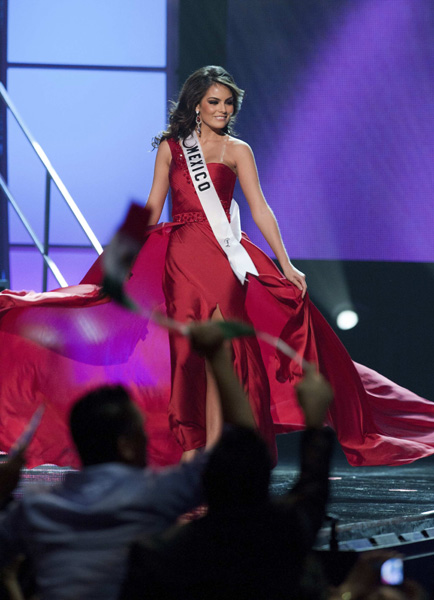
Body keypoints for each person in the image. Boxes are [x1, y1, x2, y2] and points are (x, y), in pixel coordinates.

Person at [1, 65, 434, 468]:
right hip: (181, 257)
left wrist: (286, 263)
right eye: (215, 102)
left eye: (228, 103)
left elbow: (261, 209)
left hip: (223, 256)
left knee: (231, 353)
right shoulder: (173, 148)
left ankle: (240, 447)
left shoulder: (237, 150)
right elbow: (151, 207)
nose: (223, 110)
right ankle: (196, 453)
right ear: (196, 104)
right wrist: (113, 262)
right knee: (188, 356)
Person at [0, 322, 255, 600]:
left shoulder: (37, 509)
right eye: (141, 431)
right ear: (125, 446)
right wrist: (218, 357)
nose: (148, 439)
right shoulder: (155, 494)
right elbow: (244, 452)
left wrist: (2, 494)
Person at [119, 352, 335, 600]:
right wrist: (315, 423)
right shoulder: (285, 534)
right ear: (264, 477)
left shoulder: (168, 551)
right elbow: (313, 486)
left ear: (203, 484)